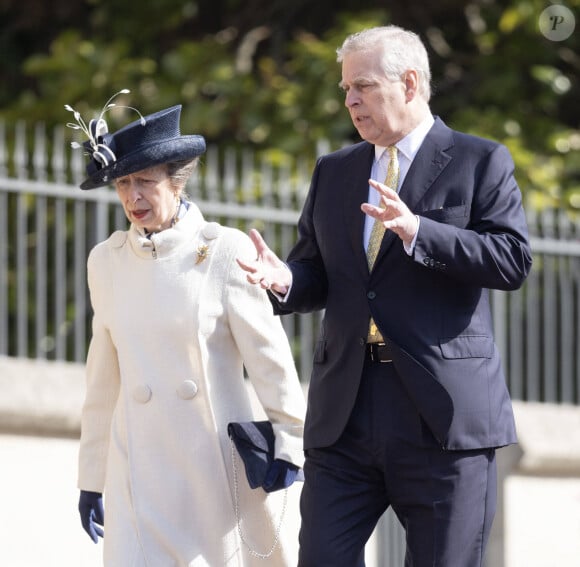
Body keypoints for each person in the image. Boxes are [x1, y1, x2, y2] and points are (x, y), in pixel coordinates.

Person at [237, 26, 533, 567]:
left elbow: (511, 260)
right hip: (346, 412)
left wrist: (419, 230)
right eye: (346, 89)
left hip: (442, 420)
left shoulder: (480, 161)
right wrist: (282, 279)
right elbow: (316, 273)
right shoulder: (335, 171)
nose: (350, 100)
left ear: (410, 83)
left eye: (364, 86)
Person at [67, 94, 306, 566]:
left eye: (146, 182)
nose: (133, 197)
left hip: (212, 470)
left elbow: (269, 357)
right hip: (137, 469)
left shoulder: (223, 250)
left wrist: (290, 442)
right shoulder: (107, 261)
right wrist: (92, 476)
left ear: (177, 183)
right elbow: (103, 378)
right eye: (123, 183)